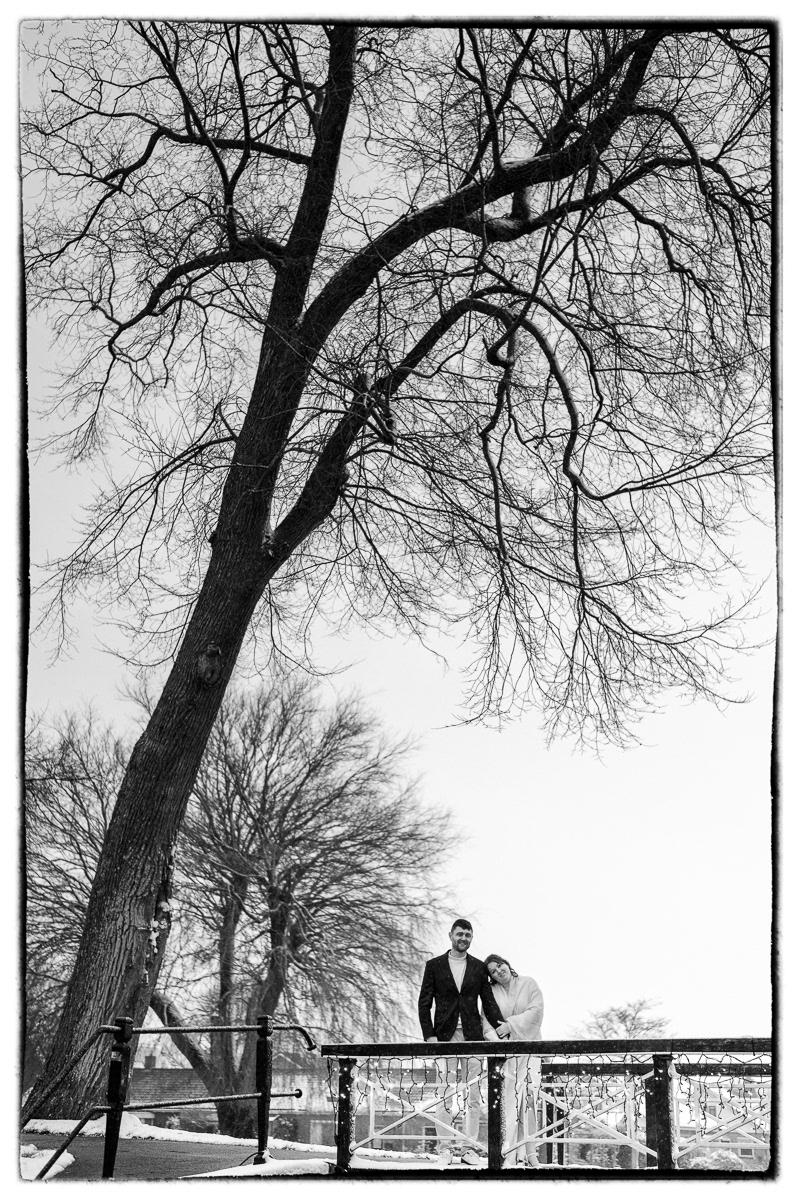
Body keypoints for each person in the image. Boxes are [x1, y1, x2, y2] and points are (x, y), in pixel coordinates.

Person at [418, 919, 504, 1166]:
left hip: (473, 1038)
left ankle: (470, 1148)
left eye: (468, 934)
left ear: (471, 938)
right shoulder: (434, 966)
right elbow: (424, 1003)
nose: (464, 937)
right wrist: (429, 1036)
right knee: (444, 1093)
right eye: (460, 933)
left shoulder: (478, 967)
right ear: (450, 936)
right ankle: (444, 1148)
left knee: (473, 1095)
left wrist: (503, 1031)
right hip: (443, 1038)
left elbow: (488, 1003)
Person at [481, 953, 544, 1167]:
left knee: (529, 1101)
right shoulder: (492, 993)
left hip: (531, 1050)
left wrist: (511, 1025)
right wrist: (499, 1044)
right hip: (507, 1057)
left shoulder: (529, 983)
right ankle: (508, 1152)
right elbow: (486, 1023)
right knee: (509, 1104)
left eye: (500, 965)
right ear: (491, 977)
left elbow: (536, 1011)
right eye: (493, 971)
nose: (499, 971)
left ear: (507, 964)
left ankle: (530, 1152)